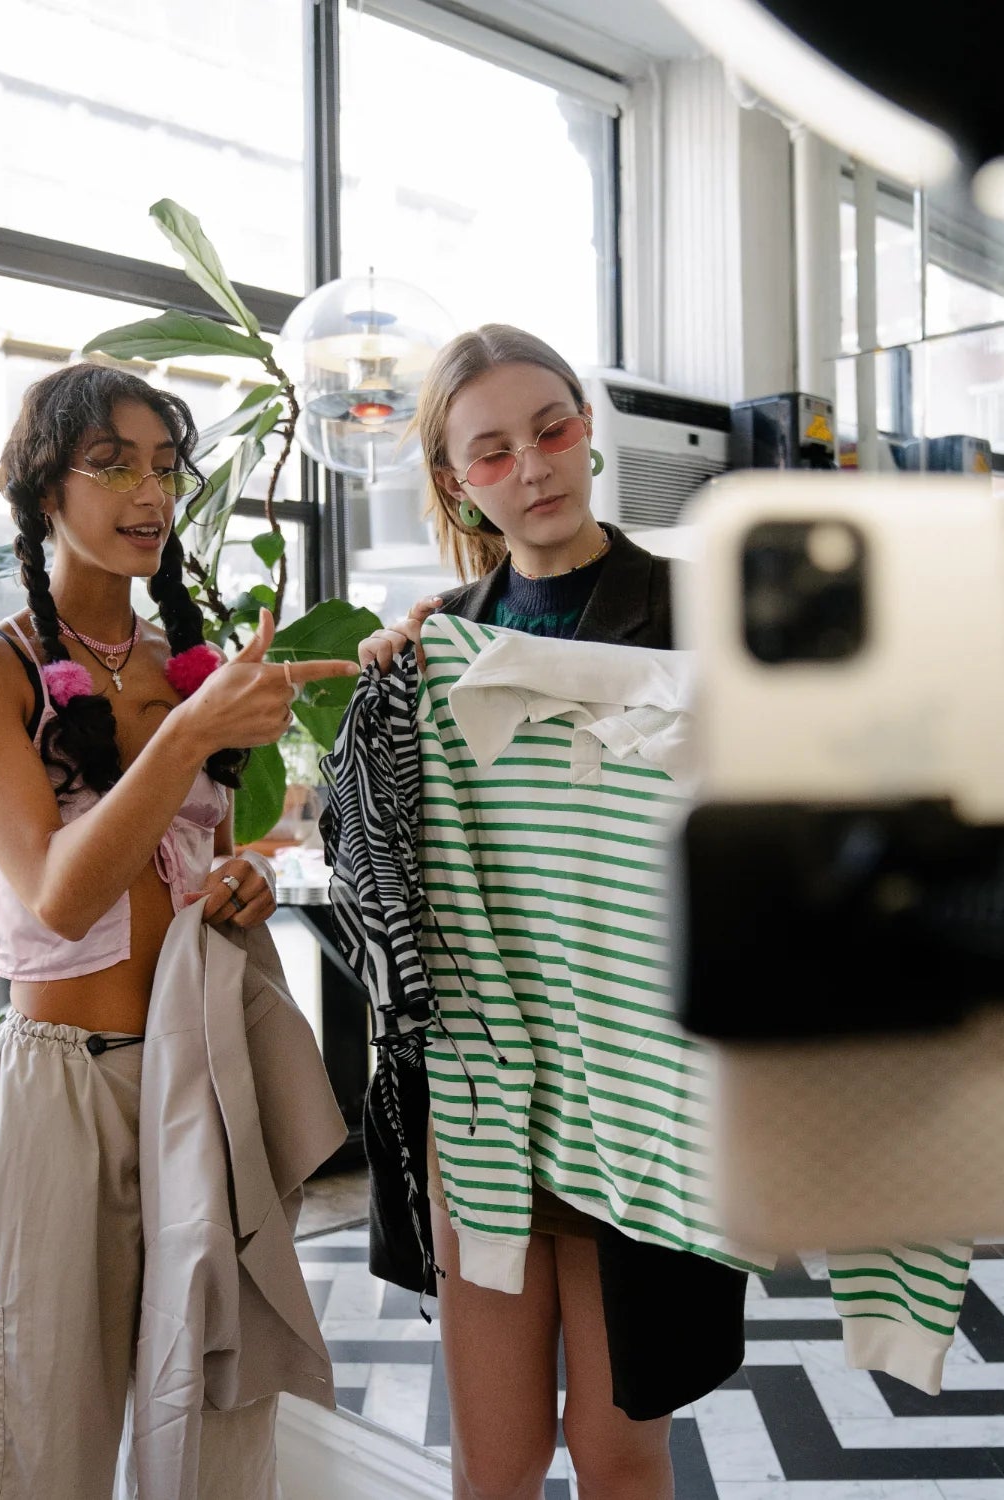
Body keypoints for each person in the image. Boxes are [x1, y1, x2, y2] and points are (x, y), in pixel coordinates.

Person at [0, 362, 356, 1499]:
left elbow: (189, 867)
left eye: (166, 467)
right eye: (112, 464)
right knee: (34, 1439)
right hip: (59, 1094)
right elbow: (59, 893)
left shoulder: (194, 673)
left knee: (210, 1418)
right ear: (38, 491)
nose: (150, 493)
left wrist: (238, 888)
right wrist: (186, 737)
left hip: (198, 1083)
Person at [356, 325, 742, 1500]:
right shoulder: (436, 644)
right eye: (492, 451)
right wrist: (386, 714)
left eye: (552, 429)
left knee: (619, 1448)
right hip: (488, 1087)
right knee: (496, 1452)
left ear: (589, 433)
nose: (533, 466)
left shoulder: (704, 612)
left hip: (644, 1085)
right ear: (455, 482)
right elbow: (376, 867)